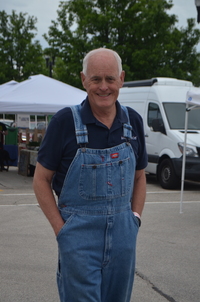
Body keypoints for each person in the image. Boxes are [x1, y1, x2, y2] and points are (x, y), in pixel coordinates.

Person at [33, 48, 148, 302]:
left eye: (110, 79)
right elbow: (40, 179)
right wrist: (62, 230)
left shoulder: (134, 122)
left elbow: (140, 177)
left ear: (121, 79)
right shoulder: (64, 122)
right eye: (96, 79)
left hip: (123, 238)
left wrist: (134, 220)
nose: (103, 87)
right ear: (84, 80)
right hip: (78, 239)